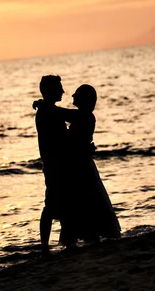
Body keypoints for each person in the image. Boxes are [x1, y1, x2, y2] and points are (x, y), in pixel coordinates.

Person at [34, 82, 120, 249]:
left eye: (77, 94)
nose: (71, 95)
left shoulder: (85, 116)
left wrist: (43, 104)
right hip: (75, 165)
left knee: (86, 203)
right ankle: (85, 240)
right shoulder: (81, 115)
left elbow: (60, 114)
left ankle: (87, 240)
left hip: (80, 167)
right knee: (81, 204)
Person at [34, 75, 76, 254]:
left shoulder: (48, 109)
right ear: (50, 91)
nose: (63, 91)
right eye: (59, 88)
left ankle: (67, 241)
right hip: (54, 164)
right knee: (51, 205)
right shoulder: (47, 112)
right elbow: (71, 116)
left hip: (56, 163)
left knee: (62, 201)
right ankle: (45, 246)